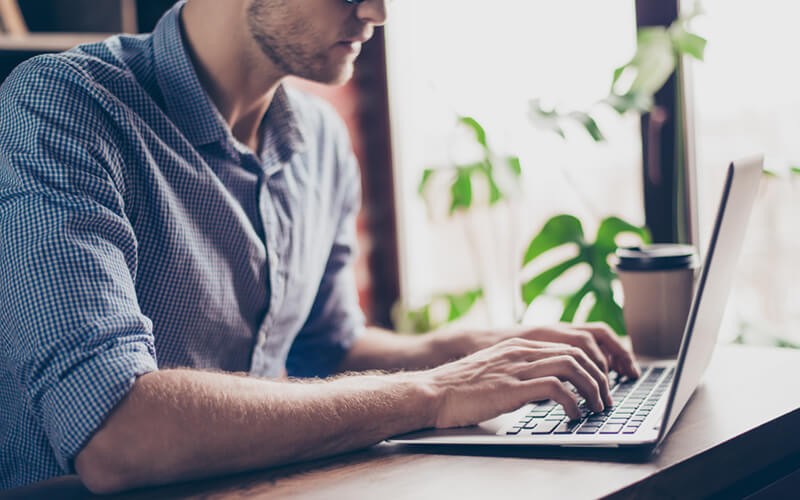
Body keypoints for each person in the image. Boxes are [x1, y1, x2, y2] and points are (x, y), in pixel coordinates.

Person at [0, 0, 640, 493]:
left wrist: (483, 351)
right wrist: (436, 391)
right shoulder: (62, 108)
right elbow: (115, 432)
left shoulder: (321, 141)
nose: (377, 12)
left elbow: (326, 349)